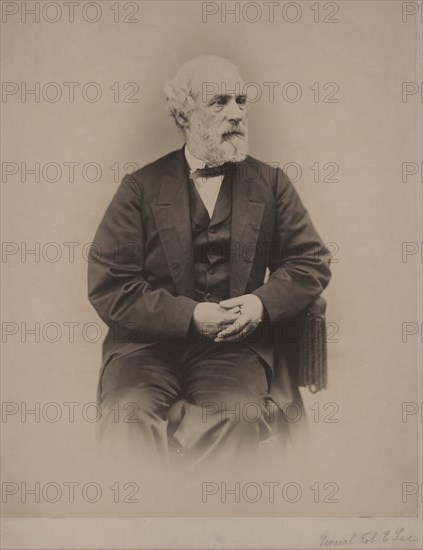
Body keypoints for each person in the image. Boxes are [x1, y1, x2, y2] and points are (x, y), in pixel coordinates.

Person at [88, 55, 331, 472]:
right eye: (219, 102)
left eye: (241, 101)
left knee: (237, 414)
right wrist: (191, 315)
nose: (236, 113)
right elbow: (112, 284)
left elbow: (309, 261)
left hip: (234, 348)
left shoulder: (270, 184)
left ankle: (211, 524)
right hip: (145, 347)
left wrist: (260, 304)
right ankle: (138, 524)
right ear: (184, 114)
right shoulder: (140, 189)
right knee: (129, 413)